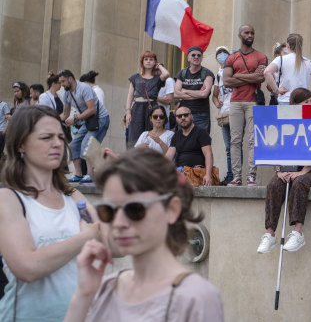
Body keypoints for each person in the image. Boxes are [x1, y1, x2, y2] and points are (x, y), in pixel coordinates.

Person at [64, 147, 224, 322]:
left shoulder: (196, 297)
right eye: (108, 211)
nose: (118, 223)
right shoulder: (104, 288)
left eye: (135, 209)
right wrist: (82, 295)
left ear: (171, 209)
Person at [0, 106, 99, 321]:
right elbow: (27, 267)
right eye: (46, 137)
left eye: (61, 137)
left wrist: (122, 185)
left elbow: (112, 243)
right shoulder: (8, 199)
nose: (57, 144)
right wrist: (85, 237)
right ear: (20, 145)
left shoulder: (72, 195)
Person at [256, 88, 311, 254]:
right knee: (274, 184)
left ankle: (298, 232)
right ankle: (270, 233)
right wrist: (279, 171)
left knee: (300, 182)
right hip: (290, 170)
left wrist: (302, 172)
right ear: (295, 105)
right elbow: (276, 150)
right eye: (306, 102)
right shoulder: (287, 121)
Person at [222, 24, 268, 186]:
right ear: (239, 35)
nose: (250, 35)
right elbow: (226, 81)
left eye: (252, 32)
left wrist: (238, 76)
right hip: (235, 103)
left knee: (253, 140)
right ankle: (236, 176)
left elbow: (260, 78)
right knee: (235, 141)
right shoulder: (231, 58)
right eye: (246, 32)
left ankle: (251, 176)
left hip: (253, 102)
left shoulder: (261, 56)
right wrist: (251, 76)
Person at [59, 69, 110, 183]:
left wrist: (76, 118)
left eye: (63, 81)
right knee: (73, 145)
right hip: (88, 121)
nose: (61, 85)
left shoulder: (84, 88)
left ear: (70, 79)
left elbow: (92, 110)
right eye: (60, 82)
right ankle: (78, 175)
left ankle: (90, 175)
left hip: (100, 119)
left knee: (87, 144)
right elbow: (65, 113)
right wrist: (54, 119)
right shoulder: (66, 94)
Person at [264, 33, 311, 105]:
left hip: (286, 99)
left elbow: (267, 72)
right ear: (301, 45)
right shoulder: (308, 62)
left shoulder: (281, 59)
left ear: (287, 45)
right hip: (304, 102)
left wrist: (276, 90)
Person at [125, 50, 169, 148]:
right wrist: (128, 112)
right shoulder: (135, 77)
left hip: (152, 107)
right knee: (134, 135)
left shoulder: (157, 78)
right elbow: (130, 95)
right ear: (142, 62)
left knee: (151, 134)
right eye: (146, 59)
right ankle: (133, 159)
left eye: (151, 59)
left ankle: (149, 159)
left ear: (154, 62)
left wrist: (159, 66)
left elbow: (166, 74)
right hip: (137, 107)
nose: (148, 61)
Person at [165, 105, 215, 186]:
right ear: (176, 119)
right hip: (181, 173)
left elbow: (208, 154)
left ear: (191, 116)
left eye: (186, 115)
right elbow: (168, 156)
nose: (183, 118)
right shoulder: (176, 136)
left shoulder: (201, 132)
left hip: (197, 173)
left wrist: (208, 175)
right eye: (179, 116)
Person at [174, 46, 215, 134]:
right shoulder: (182, 73)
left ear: (202, 58)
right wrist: (198, 94)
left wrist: (185, 90)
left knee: (201, 144)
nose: (196, 57)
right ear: (188, 58)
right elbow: (176, 94)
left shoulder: (208, 73)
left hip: (201, 115)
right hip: (184, 115)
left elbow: (204, 94)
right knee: (183, 144)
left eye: (199, 55)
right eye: (193, 55)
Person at [212, 46, 235, 185]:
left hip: (236, 111)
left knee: (235, 144)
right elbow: (214, 96)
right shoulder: (218, 75)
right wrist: (217, 103)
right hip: (224, 113)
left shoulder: (233, 70)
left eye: (224, 53)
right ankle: (230, 174)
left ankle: (236, 175)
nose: (222, 55)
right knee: (228, 146)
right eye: (219, 53)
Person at [156, 63, 175, 129]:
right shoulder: (149, 81)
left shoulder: (168, 81)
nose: (156, 72)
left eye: (157, 69)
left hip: (163, 119)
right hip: (149, 119)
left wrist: (153, 97)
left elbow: (169, 100)